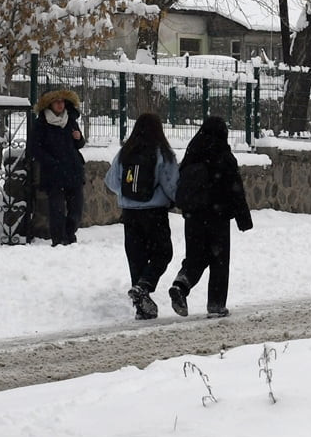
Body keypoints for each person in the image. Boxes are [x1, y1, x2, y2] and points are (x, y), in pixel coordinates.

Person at [168, 116, 253, 319]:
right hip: (218, 216)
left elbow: (181, 182)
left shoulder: (192, 153)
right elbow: (236, 189)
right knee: (219, 261)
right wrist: (243, 219)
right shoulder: (224, 155)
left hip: (193, 216)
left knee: (195, 256)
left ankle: (181, 285)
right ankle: (216, 304)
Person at [104, 113, 179, 320]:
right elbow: (171, 184)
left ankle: (141, 308)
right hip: (155, 213)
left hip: (129, 214)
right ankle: (144, 286)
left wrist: (128, 194)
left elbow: (111, 181)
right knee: (163, 253)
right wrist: (178, 200)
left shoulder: (125, 152)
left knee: (136, 257)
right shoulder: (162, 153)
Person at [28, 89, 86, 246]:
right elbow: (35, 148)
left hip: (73, 171)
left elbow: (79, 144)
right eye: (56, 102)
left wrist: (79, 138)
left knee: (76, 210)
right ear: (49, 104)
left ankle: (69, 234)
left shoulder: (70, 120)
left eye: (62, 101)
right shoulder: (41, 124)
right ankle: (59, 240)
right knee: (57, 210)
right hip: (54, 174)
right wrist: (52, 162)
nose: (60, 105)